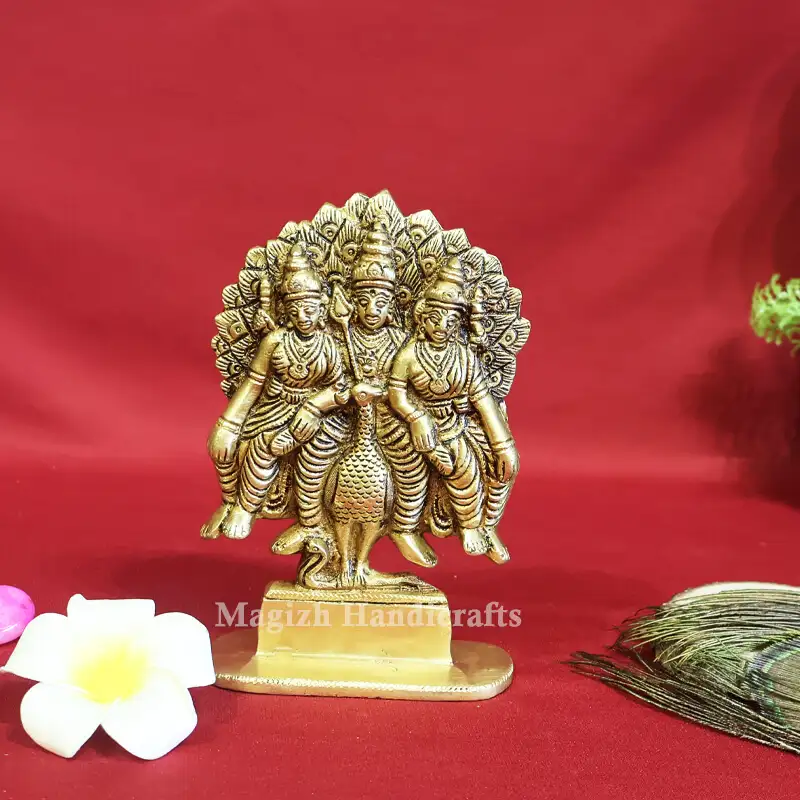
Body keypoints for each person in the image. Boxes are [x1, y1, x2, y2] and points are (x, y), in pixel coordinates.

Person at [201, 242, 347, 541]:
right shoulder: (276, 341)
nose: (303, 316)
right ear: (285, 310)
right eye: (295, 310)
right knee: (234, 445)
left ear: (322, 308)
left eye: (310, 309)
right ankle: (236, 503)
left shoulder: (330, 344)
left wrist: (315, 406)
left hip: (320, 417)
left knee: (295, 452)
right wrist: (229, 424)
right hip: (275, 408)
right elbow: (254, 383)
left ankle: (302, 521)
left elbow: (340, 389)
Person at [388, 255, 519, 563]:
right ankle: (405, 528)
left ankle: (480, 525)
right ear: (422, 317)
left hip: (455, 423)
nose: (442, 326)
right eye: (435, 318)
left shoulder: (463, 357)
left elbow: (483, 401)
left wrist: (504, 445)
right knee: (414, 473)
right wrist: (417, 416)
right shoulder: (409, 354)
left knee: (481, 467)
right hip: (414, 426)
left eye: (450, 320)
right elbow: (397, 394)